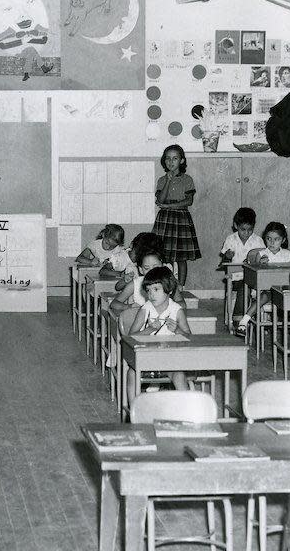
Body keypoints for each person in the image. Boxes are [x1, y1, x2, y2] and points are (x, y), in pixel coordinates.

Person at [122, 266, 191, 407]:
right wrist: (148, 330)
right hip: (145, 358)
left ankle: (187, 410)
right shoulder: (145, 309)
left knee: (179, 376)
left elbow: (189, 337)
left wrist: (177, 329)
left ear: (169, 291)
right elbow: (131, 336)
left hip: (169, 360)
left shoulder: (177, 311)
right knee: (132, 373)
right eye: (148, 290)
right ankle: (135, 412)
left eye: (156, 290)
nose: (151, 295)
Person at [153, 145, 200, 290]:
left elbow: (189, 201)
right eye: (167, 158)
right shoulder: (162, 180)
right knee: (165, 256)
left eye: (175, 158)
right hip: (165, 220)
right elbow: (161, 199)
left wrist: (169, 206)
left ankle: (181, 287)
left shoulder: (187, 179)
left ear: (181, 161)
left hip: (181, 219)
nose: (170, 162)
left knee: (181, 257)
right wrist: (168, 180)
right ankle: (166, 286)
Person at [237, 222, 290, 334]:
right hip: (266, 289)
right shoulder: (262, 254)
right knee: (265, 295)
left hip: (284, 289)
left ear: (283, 240)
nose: (272, 243)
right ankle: (244, 321)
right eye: (269, 239)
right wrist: (260, 264)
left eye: (276, 239)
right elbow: (255, 274)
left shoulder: (288, 254)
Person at [219, 207, 265, 318]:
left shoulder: (258, 240)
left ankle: (248, 315)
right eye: (243, 229)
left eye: (250, 230)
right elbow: (224, 261)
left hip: (254, 278)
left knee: (250, 284)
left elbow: (263, 259)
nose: (246, 233)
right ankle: (238, 317)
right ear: (236, 226)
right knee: (244, 286)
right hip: (235, 278)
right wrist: (227, 256)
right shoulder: (230, 239)